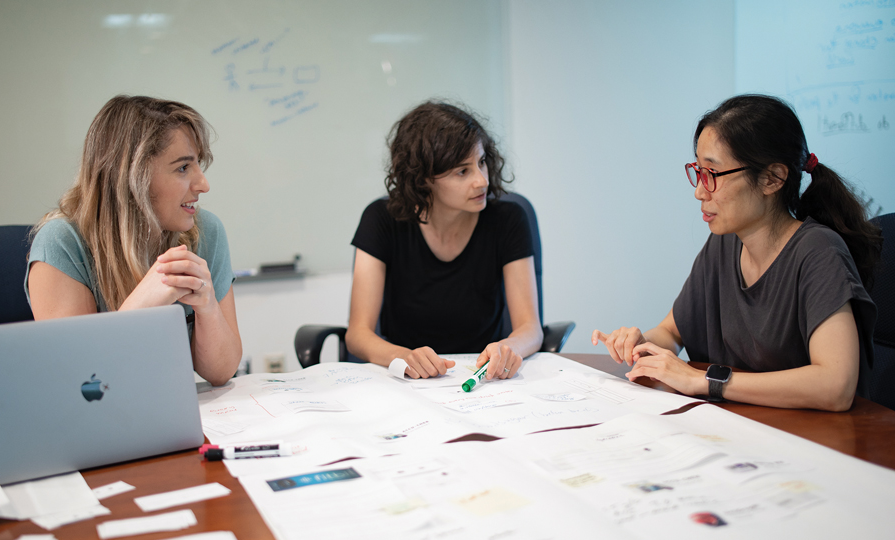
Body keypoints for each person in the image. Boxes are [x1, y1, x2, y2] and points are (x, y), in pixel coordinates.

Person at [592, 94, 880, 411]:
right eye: (697, 171)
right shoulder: (724, 243)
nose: (700, 191)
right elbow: (670, 331)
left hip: (812, 441)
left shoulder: (818, 251)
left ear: (773, 178)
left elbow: (835, 386)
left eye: (713, 174)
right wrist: (640, 345)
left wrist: (706, 381)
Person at [26, 95, 242, 386]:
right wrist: (142, 304)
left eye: (198, 165)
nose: (203, 185)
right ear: (133, 177)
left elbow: (221, 372)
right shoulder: (61, 243)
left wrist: (207, 307)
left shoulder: (206, 231)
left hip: (170, 408)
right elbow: (77, 382)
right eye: (182, 168)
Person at [346, 101, 543, 380]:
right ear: (423, 180)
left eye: (482, 162)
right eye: (462, 172)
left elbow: (530, 328)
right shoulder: (381, 219)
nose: (482, 181)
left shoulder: (508, 219)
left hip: (482, 376)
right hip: (408, 380)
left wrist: (508, 348)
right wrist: (401, 356)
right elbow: (357, 334)